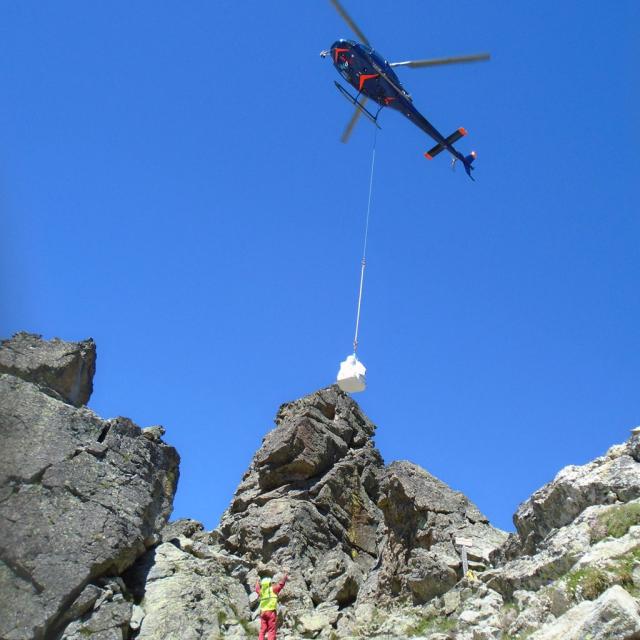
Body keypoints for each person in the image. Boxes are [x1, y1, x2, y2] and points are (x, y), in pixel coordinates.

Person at [254, 573, 288, 640]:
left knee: (262, 629)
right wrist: (285, 577)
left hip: (263, 613)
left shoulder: (262, 592)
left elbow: (257, 589)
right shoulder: (273, 589)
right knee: (271, 630)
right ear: (269, 583)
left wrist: (257, 583)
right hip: (271, 612)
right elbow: (281, 585)